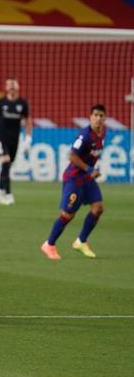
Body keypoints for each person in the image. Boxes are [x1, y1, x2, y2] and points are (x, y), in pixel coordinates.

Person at [41, 104, 107, 260]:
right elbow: (71, 156)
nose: (98, 118)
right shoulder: (84, 136)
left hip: (87, 178)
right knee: (68, 215)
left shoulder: (102, 133)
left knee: (98, 208)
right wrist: (89, 169)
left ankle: (81, 241)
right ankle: (49, 244)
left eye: (101, 116)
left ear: (104, 118)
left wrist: (90, 171)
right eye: (95, 115)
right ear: (90, 117)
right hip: (74, 178)